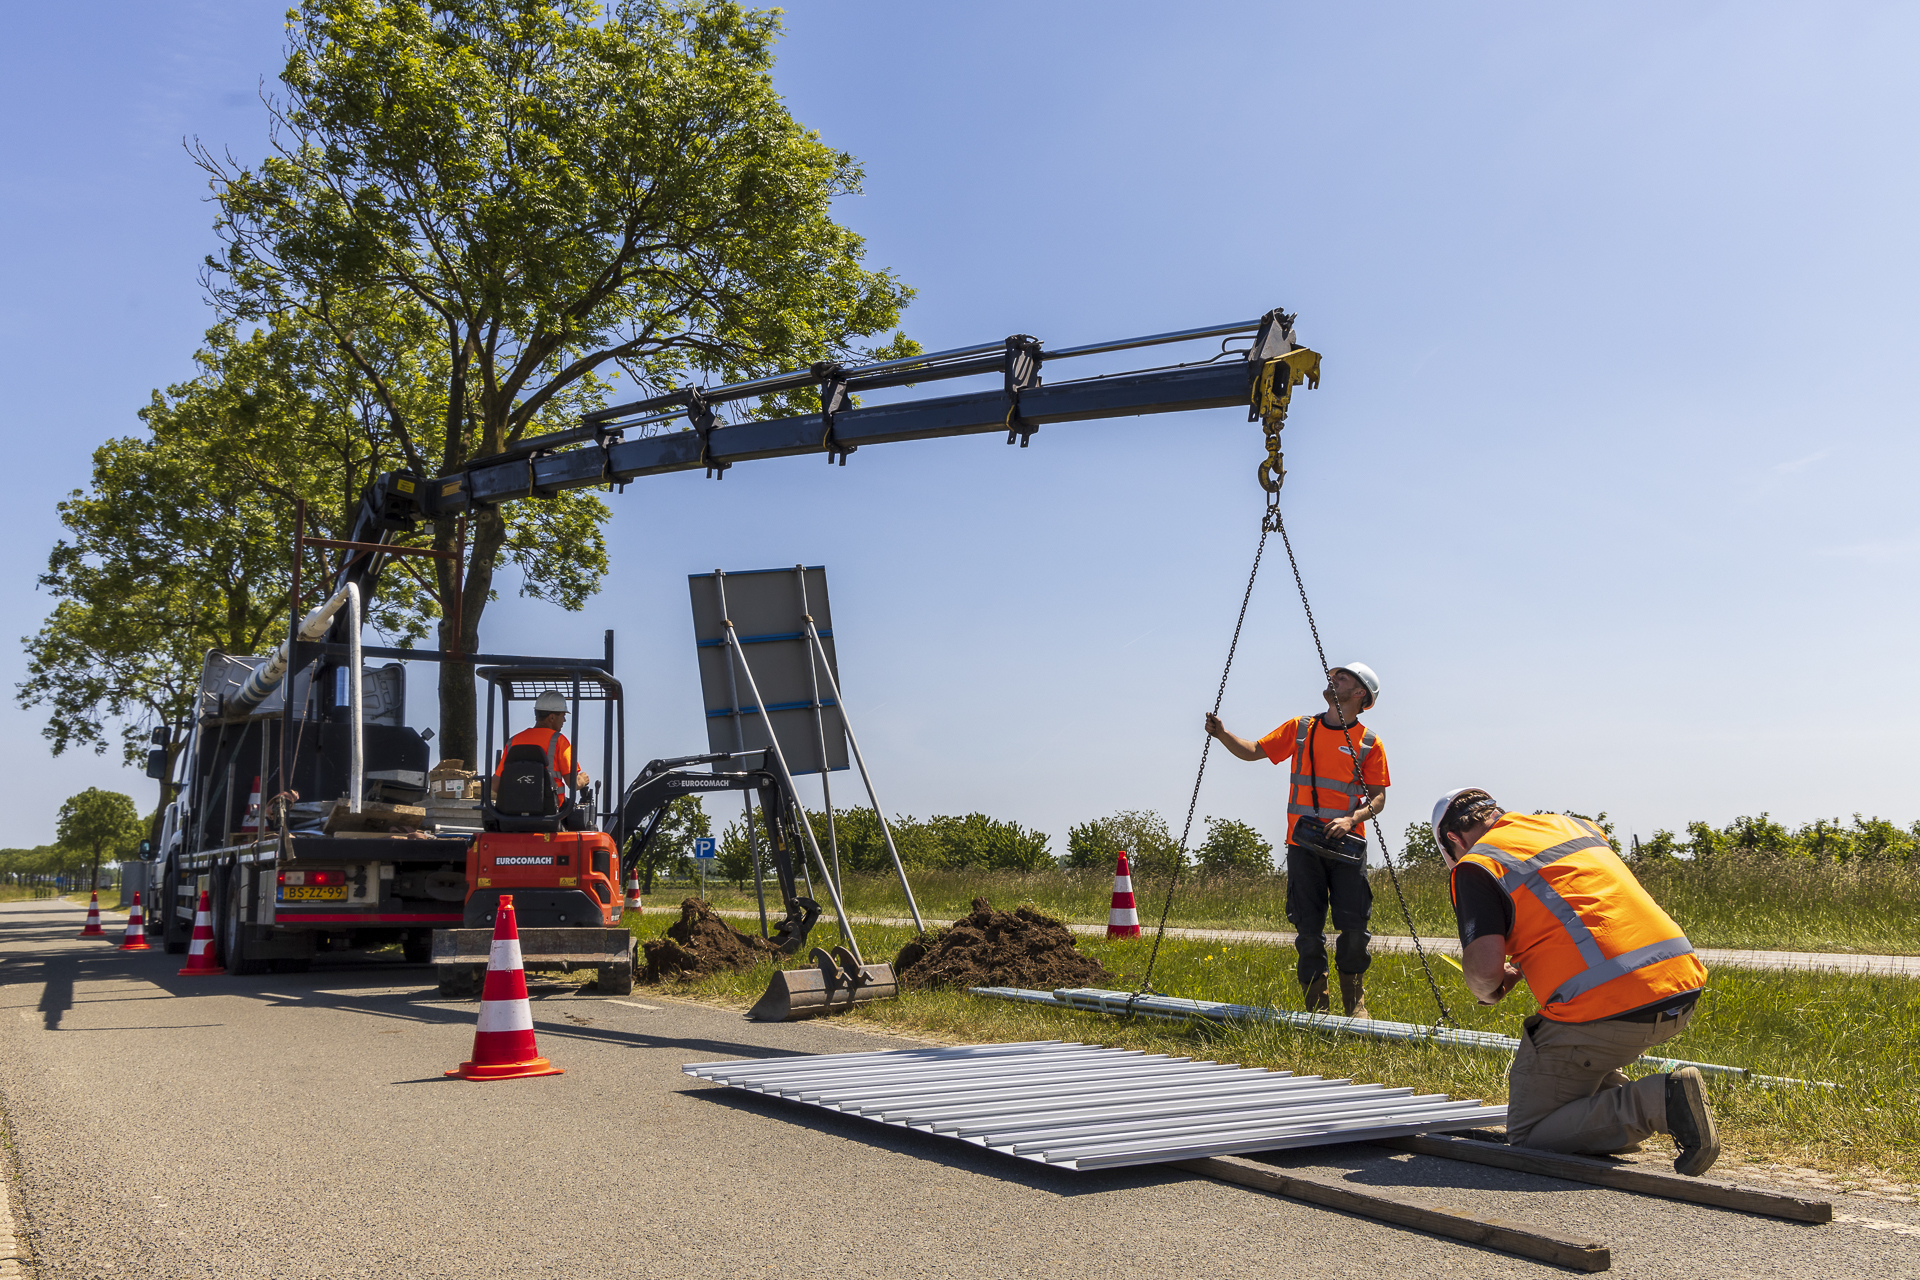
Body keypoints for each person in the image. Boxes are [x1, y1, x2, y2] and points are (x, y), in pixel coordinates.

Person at [1431, 787, 1720, 1175]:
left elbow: (1484, 974)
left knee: (1530, 1132)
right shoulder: (1570, 826)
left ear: (1453, 840)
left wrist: (1492, 987)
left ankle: (1659, 1101)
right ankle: (1614, 1103)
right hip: (1679, 987)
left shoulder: (1478, 864)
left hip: (1609, 1009)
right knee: (1568, 1100)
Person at [1205, 663, 1388, 1018]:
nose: (1333, 679)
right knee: (1308, 928)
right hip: (1303, 845)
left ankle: (1355, 1004)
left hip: (1347, 849)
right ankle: (1317, 1006)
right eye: (1334, 675)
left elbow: (1378, 799)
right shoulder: (1302, 729)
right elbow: (1253, 750)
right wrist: (1223, 735)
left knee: (1354, 927)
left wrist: (1352, 818)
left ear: (1359, 693)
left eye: (1343, 678)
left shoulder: (1368, 742)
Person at [497, 690, 591, 818]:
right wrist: (583, 779)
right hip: (551, 811)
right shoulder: (559, 741)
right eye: (563, 715)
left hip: (513, 811)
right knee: (582, 817)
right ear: (551, 717)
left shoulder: (513, 741)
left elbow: (495, 785)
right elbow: (574, 783)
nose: (564, 720)